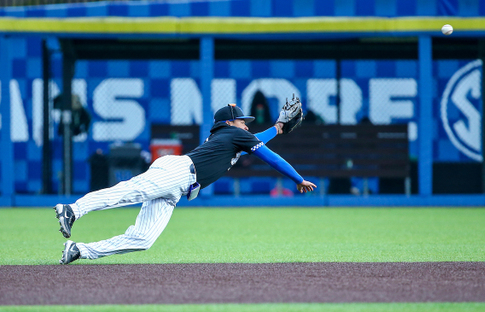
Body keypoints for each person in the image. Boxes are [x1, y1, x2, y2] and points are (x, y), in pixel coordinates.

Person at [55, 99, 316, 265]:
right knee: (129, 192)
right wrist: (298, 178)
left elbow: (257, 139)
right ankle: (73, 209)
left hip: (178, 187)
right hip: (178, 172)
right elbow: (271, 157)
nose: (246, 126)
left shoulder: (233, 137)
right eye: (242, 121)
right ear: (229, 122)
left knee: (143, 239)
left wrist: (279, 127)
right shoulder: (234, 134)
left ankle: (79, 250)